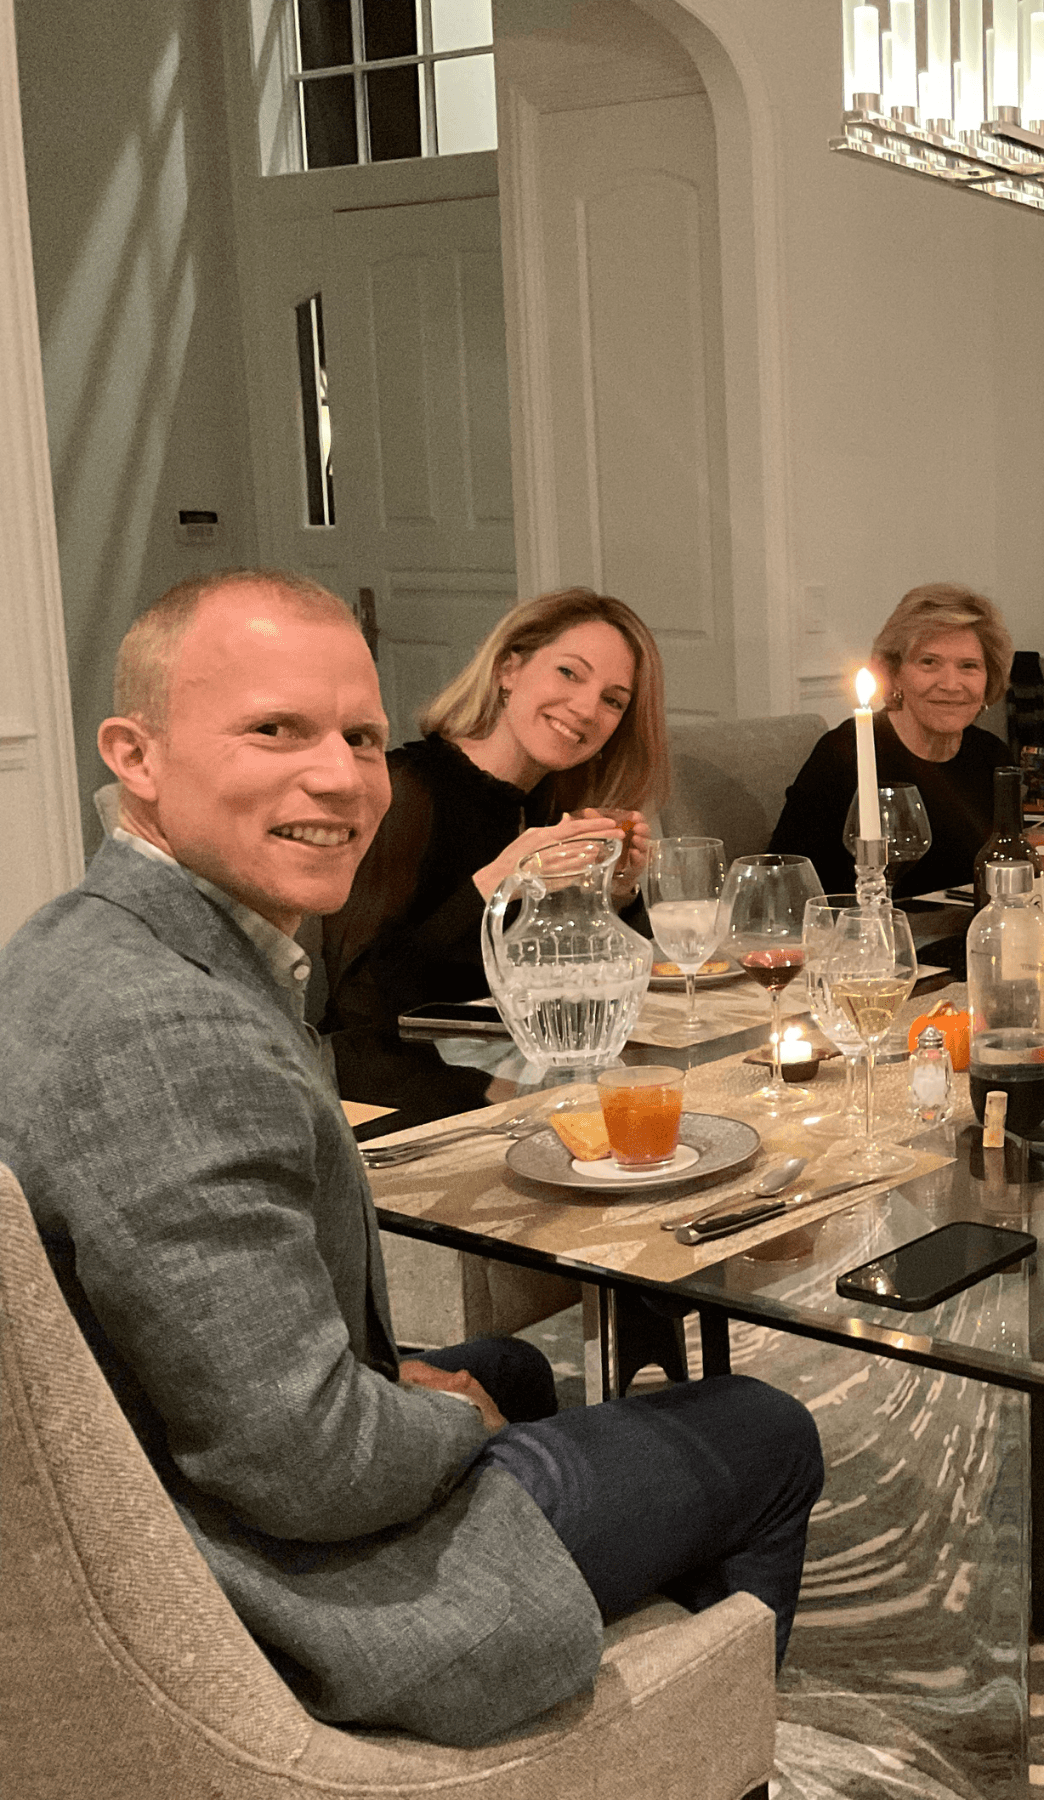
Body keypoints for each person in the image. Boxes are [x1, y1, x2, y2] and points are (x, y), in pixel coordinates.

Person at [0, 571, 823, 1748]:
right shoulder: (171, 1036)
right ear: (135, 754)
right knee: (765, 1431)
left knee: (519, 1370)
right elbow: (309, 1467)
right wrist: (459, 1422)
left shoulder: (70, 939)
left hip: (186, 1457)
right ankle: (676, 1746)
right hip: (277, 1582)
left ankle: (646, 1638)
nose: (337, 775)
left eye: (358, 737)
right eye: (273, 730)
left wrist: (446, 1389)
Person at [317, 587, 669, 1070]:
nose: (587, 710)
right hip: (392, 1081)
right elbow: (361, 1000)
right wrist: (499, 882)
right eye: (569, 672)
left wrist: (620, 889)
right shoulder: (406, 788)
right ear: (509, 668)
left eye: (612, 700)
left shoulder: (554, 807)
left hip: (512, 1074)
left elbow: (597, 987)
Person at [768, 582, 1014, 897]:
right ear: (895, 674)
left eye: (969, 666)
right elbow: (784, 881)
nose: (951, 684)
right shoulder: (844, 754)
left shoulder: (993, 757)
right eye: (929, 662)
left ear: (988, 678)